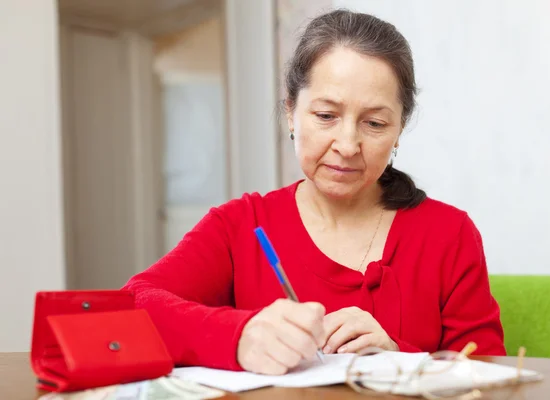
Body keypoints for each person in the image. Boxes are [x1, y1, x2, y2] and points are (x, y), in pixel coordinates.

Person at [123, 9, 505, 375]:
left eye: (374, 123)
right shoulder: (240, 225)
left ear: (399, 129)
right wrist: (239, 335)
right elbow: (132, 308)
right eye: (326, 116)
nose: (348, 144)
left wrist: (398, 359)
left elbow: (488, 375)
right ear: (291, 111)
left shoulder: (449, 234)